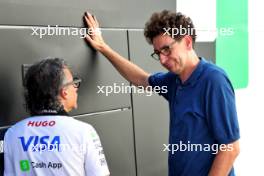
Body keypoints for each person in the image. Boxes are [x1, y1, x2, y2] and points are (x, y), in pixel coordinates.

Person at [84, 10, 240, 176]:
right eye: (158, 53)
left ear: (187, 42)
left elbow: (230, 149)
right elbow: (141, 79)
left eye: (167, 49)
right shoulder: (174, 80)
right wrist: (103, 47)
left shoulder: (214, 80)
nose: (162, 60)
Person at [4, 58, 110, 176]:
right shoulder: (83, 131)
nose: (76, 88)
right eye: (74, 83)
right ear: (64, 91)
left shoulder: (13, 133)